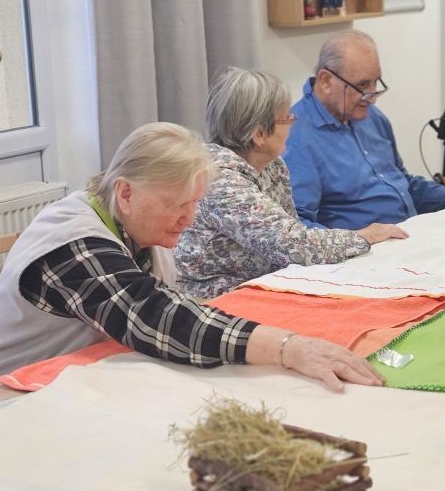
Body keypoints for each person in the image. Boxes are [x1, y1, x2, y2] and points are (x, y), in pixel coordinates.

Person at [0, 122, 384, 391]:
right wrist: (288, 347)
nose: (188, 218)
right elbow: (155, 316)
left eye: (194, 203)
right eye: (175, 204)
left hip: (82, 377)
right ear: (126, 193)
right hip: (19, 397)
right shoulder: (74, 244)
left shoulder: (133, 225)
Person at [174, 67, 408, 300]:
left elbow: (292, 235)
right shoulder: (220, 181)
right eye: (287, 118)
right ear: (259, 134)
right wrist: (365, 236)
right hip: (220, 304)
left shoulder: (273, 164)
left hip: (268, 287)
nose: (293, 123)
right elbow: (296, 247)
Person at [283, 29, 445, 230]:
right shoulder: (295, 137)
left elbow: (404, 185)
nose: (373, 95)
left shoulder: (371, 116)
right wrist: (360, 239)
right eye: (362, 84)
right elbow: (297, 227)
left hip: (408, 235)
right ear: (326, 80)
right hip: (362, 253)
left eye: (376, 82)